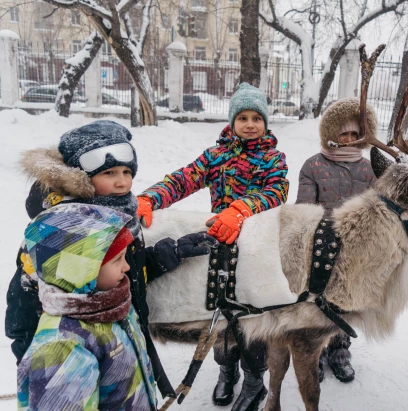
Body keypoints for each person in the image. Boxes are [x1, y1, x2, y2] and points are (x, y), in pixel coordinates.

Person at [5, 120, 215, 400]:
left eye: (127, 171)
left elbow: (116, 274)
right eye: (109, 172)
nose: (123, 181)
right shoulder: (63, 233)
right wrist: (44, 373)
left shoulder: (120, 215)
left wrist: (168, 254)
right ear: (79, 177)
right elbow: (25, 305)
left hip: (119, 351)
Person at [137, 83, 289, 411]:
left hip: (258, 249)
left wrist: (240, 209)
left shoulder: (273, 158)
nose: (250, 124)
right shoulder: (216, 156)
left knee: (252, 316)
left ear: (265, 122)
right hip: (220, 246)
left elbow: (277, 192)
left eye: (256, 118)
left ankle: (253, 379)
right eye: (243, 117)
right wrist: (150, 197)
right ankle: (226, 369)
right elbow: (183, 179)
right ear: (232, 122)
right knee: (220, 310)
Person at [18, 203, 159, 410]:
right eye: (118, 259)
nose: (127, 266)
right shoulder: (61, 347)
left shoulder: (110, 305)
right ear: (82, 270)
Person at [295, 97, 377, 382]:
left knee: (349, 300)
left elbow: (376, 207)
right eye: (344, 133)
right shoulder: (313, 166)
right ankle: (316, 351)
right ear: (331, 133)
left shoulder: (368, 169)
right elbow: (304, 210)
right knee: (317, 300)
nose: (350, 139)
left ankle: (341, 349)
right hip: (321, 246)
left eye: (356, 134)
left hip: (356, 247)